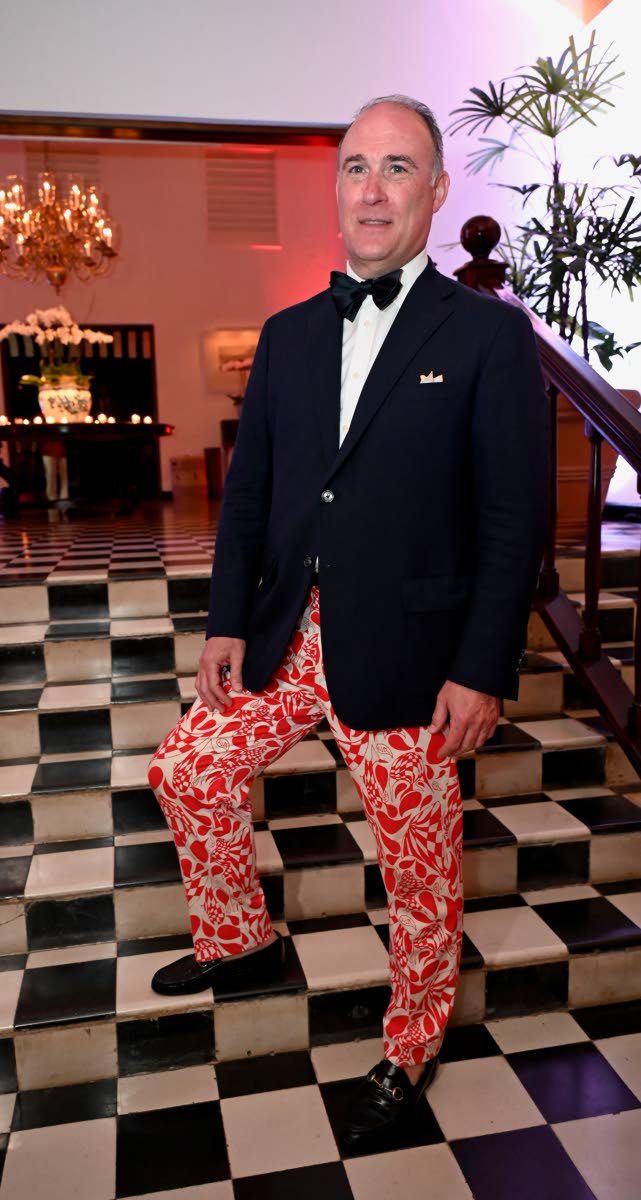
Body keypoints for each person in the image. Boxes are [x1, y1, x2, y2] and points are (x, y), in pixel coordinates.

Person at [147, 94, 549, 1145]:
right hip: (288, 639)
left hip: (414, 658)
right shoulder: (284, 337)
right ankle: (238, 939)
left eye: (396, 169)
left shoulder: (488, 339)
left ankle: (410, 1042)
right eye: (355, 167)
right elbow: (249, 498)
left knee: (417, 872)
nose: (371, 190)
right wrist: (227, 619)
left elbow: (513, 522)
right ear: (335, 187)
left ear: (434, 189)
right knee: (187, 768)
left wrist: (482, 667)